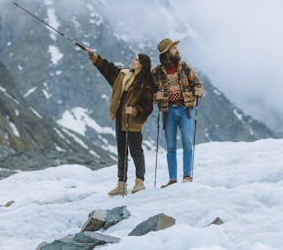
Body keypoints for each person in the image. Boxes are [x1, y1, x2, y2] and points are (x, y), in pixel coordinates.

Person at [86, 48, 155, 196]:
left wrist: (136, 111)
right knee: (122, 150)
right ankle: (121, 184)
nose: (133, 61)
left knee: (135, 150)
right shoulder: (124, 74)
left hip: (134, 120)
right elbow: (108, 69)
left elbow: (149, 106)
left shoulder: (147, 83)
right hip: (120, 116)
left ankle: (139, 182)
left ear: (142, 64)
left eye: (136, 60)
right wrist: (95, 57)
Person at [152, 38, 203, 188]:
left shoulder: (185, 68)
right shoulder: (156, 72)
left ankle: (187, 175)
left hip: (185, 109)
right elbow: (149, 92)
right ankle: (172, 179)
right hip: (168, 112)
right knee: (171, 146)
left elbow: (197, 83)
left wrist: (199, 90)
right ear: (167, 53)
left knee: (187, 142)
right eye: (174, 48)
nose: (177, 50)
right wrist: (156, 96)